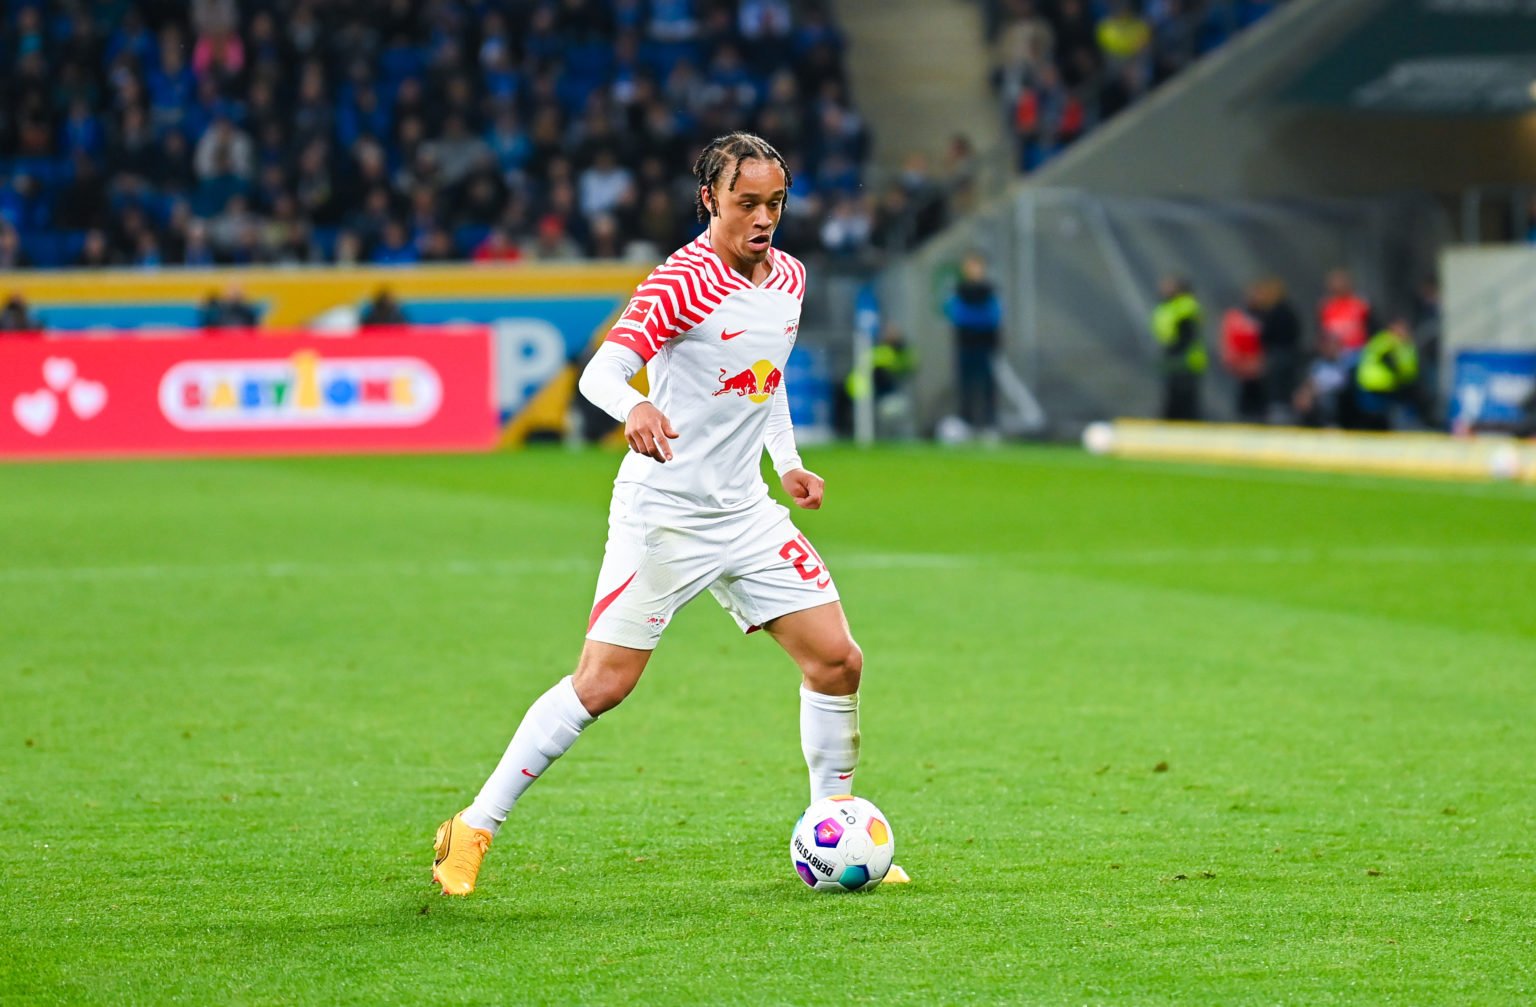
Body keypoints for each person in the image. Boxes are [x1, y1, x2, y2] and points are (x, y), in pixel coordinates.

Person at [432, 132, 884, 896]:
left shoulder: (792, 278)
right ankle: (473, 824)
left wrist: (789, 461)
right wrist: (635, 403)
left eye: (775, 202)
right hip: (664, 513)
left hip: (747, 512)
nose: (764, 217)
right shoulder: (682, 280)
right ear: (709, 198)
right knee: (603, 683)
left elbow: (764, 381)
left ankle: (830, 826)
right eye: (748, 203)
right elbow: (602, 369)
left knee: (838, 660)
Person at [944, 252, 1002, 436]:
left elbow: (994, 315)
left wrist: (978, 321)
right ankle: (965, 422)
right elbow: (957, 314)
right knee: (966, 384)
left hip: (985, 344)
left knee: (987, 384)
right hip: (965, 343)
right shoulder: (960, 290)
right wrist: (976, 319)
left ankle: (989, 424)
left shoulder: (990, 290)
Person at [1151, 275, 1205, 421]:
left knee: (1183, 395)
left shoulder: (1185, 305)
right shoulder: (1167, 305)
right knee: (1172, 392)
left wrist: (1178, 352)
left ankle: (1183, 424)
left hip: (1185, 357)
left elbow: (1188, 333)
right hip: (1172, 354)